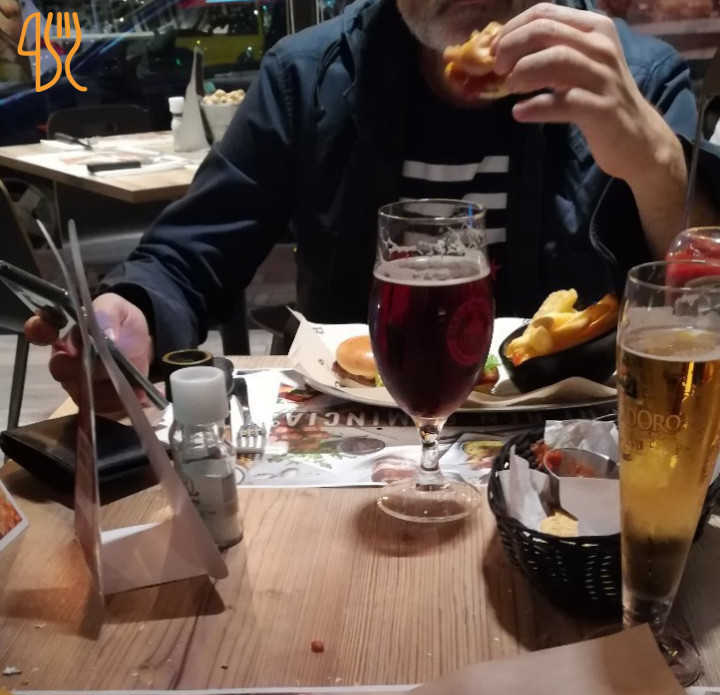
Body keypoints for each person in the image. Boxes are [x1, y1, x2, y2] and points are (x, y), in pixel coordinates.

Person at [26, 0, 720, 412]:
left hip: (562, 460)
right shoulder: (307, 77)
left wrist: (656, 163)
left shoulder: (635, 80)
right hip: (355, 450)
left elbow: (703, 305)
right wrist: (133, 315)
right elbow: (189, 256)